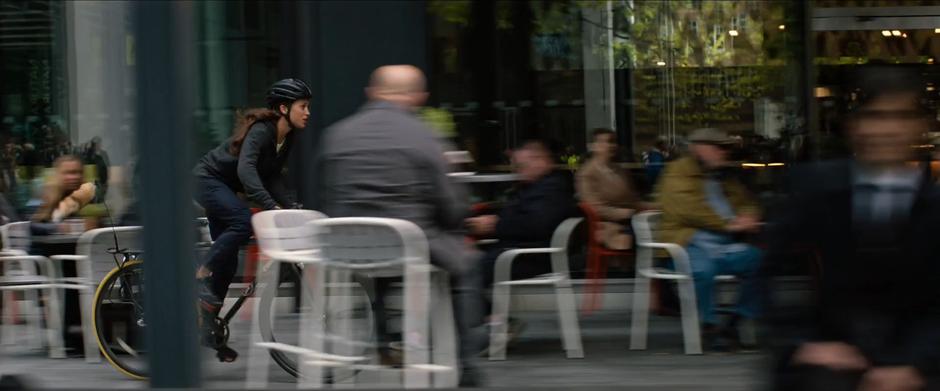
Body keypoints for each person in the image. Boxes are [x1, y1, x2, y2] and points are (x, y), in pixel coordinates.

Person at [764, 65, 940, 391]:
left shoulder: (934, 205)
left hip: (918, 363)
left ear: (920, 126)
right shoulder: (812, 188)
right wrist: (805, 343)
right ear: (854, 125)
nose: (887, 130)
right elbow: (774, 271)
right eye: (875, 116)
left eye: (901, 117)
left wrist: (915, 364)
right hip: (827, 361)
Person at [316, 65, 484, 387]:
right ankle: (468, 362)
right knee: (467, 265)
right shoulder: (423, 136)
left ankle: (379, 344)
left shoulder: (336, 134)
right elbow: (452, 205)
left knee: (378, 270)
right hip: (408, 245)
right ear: (418, 97)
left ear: (371, 93)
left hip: (343, 250)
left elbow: (324, 194)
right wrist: (457, 221)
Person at [192, 78, 310, 361]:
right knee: (243, 222)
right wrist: (270, 206)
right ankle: (200, 274)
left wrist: (290, 206)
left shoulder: (287, 137)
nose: (308, 112)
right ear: (284, 108)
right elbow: (247, 172)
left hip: (226, 190)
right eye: (303, 106)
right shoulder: (261, 131)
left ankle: (208, 327)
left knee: (229, 259)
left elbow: (272, 178)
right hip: (207, 181)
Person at [655, 127, 763, 351]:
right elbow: (687, 208)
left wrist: (749, 215)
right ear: (699, 149)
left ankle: (735, 322)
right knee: (703, 269)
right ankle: (710, 326)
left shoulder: (723, 175)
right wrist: (729, 224)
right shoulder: (677, 171)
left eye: (726, 148)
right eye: (719, 148)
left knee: (760, 261)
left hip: (724, 245)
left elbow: (747, 200)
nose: (724, 153)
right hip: (686, 244)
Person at [466, 139, 576, 329]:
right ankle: (492, 322)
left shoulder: (551, 188)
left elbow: (535, 225)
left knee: (468, 270)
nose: (518, 171)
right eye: (517, 166)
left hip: (535, 255)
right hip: (524, 250)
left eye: (522, 165)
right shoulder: (538, 187)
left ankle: (493, 324)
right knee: (466, 263)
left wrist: (494, 225)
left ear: (541, 160)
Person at [576, 128, 642, 251]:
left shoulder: (620, 171)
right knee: (650, 235)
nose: (610, 145)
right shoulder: (587, 174)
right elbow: (596, 208)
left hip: (632, 220)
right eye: (604, 142)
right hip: (608, 225)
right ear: (593, 146)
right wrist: (627, 213)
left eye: (612, 142)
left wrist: (654, 207)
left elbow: (633, 200)